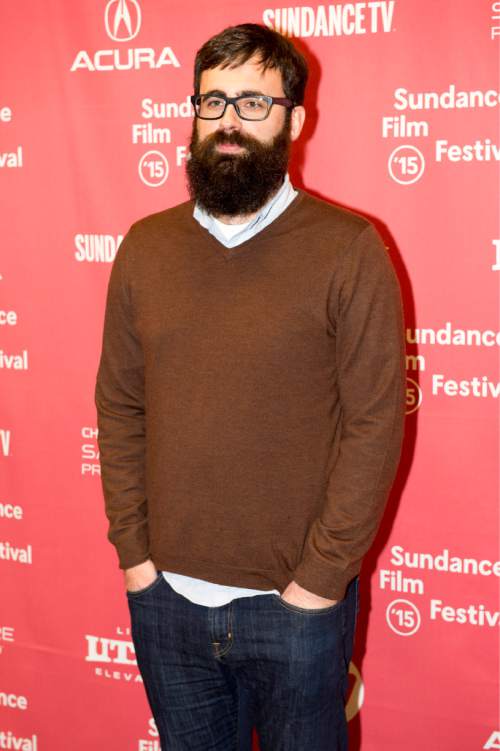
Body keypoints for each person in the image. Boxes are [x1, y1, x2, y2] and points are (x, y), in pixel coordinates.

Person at [95, 22, 406, 751]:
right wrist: (137, 560)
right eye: (213, 102)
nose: (229, 120)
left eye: (253, 103)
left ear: (295, 120)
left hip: (295, 609)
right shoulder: (146, 248)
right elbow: (120, 404)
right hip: (166, 603)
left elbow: (373, 422)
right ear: (195, 112)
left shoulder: (348, 249)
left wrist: (320, 582)